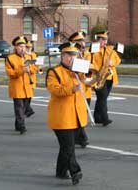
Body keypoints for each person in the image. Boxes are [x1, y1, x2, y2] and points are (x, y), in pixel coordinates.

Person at [46, 42, 86, 185]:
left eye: (75, 55)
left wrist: (94, 77)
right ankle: (75, 171)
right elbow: (55, 90)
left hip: (76, 115)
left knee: (66, 146)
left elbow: (89, 84)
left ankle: (61, 171)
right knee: (69, 146)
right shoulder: (54, 72)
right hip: (61, 116)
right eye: (70, 55)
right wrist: (72, 88)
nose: (73, 58)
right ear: (63, 56)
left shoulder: (78, 71)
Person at [4, 36, 35, 134]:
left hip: (28, 87)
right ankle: (22, 126)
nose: (23, 49)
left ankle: (18, 124)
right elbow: (10, 73)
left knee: (25, 107)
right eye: (20, 47)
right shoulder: (10, 58)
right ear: (16, 47)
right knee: (19, 108)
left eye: (24, 46)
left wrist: (31, 69)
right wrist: (22, 70)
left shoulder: (29, 57)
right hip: (17, 86)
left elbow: (35, 69)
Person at [91, 31, 121, 126]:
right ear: (98, 40)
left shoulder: (110, 49)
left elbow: (118, 60)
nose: (104, 41)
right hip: (99, 77)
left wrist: (112, 63)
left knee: (102, 98)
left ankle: (97, 117)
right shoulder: (94, 49)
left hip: (110, 77)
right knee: (103, 97)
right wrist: (97, 72)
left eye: (105, 39)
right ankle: (105, 118)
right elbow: (91, 62)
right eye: (102, 39)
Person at [68, 31, 91, 148]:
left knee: (83, 114)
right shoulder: (70, 55)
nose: (83, 43)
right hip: (77, 89)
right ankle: (82, 138)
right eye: (79, 42)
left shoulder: (87, 53)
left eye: (83, 41)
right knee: (79, 114)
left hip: (86, 89)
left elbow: (91, 68)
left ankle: (78, 137)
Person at [24, 40, 37, 118]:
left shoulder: (34, 55)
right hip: (26, 78)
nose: (29, 48)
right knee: (26, 96)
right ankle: (28, 110)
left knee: (30, 96)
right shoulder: (24, 55)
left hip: (32, 78)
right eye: (27, 47)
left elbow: (36, 65)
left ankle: (26, 109)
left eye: (30, 47)